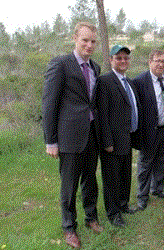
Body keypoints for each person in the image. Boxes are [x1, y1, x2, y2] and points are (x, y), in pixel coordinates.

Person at [42, 22, 102, 248]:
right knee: (69, 185)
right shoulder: (60, 64)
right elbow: (49, 104)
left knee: (90, 181)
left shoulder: (95, 67)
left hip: (91, 135)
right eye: (85, 40)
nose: (89, 45)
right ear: (75, 38)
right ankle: (69, 227)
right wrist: (51, 140)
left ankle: (91, 218)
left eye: (93, 41)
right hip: (69, 137)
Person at [96, 45, 140, 227]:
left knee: (125, 175)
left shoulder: (128, 82)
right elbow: (102, 114)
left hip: (127, 137)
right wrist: (106, 141)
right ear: (111, 60)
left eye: (126, 58)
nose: (123, 61)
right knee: (112, 179)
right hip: (112, 141)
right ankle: (113, 213)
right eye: (119, 58)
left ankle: (123, 205)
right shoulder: (105, 81)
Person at [132, 49, 164, 211]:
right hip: (149, 131)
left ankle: (157, 189)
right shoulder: (139, 81)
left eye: (163, 61)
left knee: (162, 161)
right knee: (145, 164)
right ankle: (142, 196)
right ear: (150, 62)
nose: (160, 64)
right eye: (157, 61)